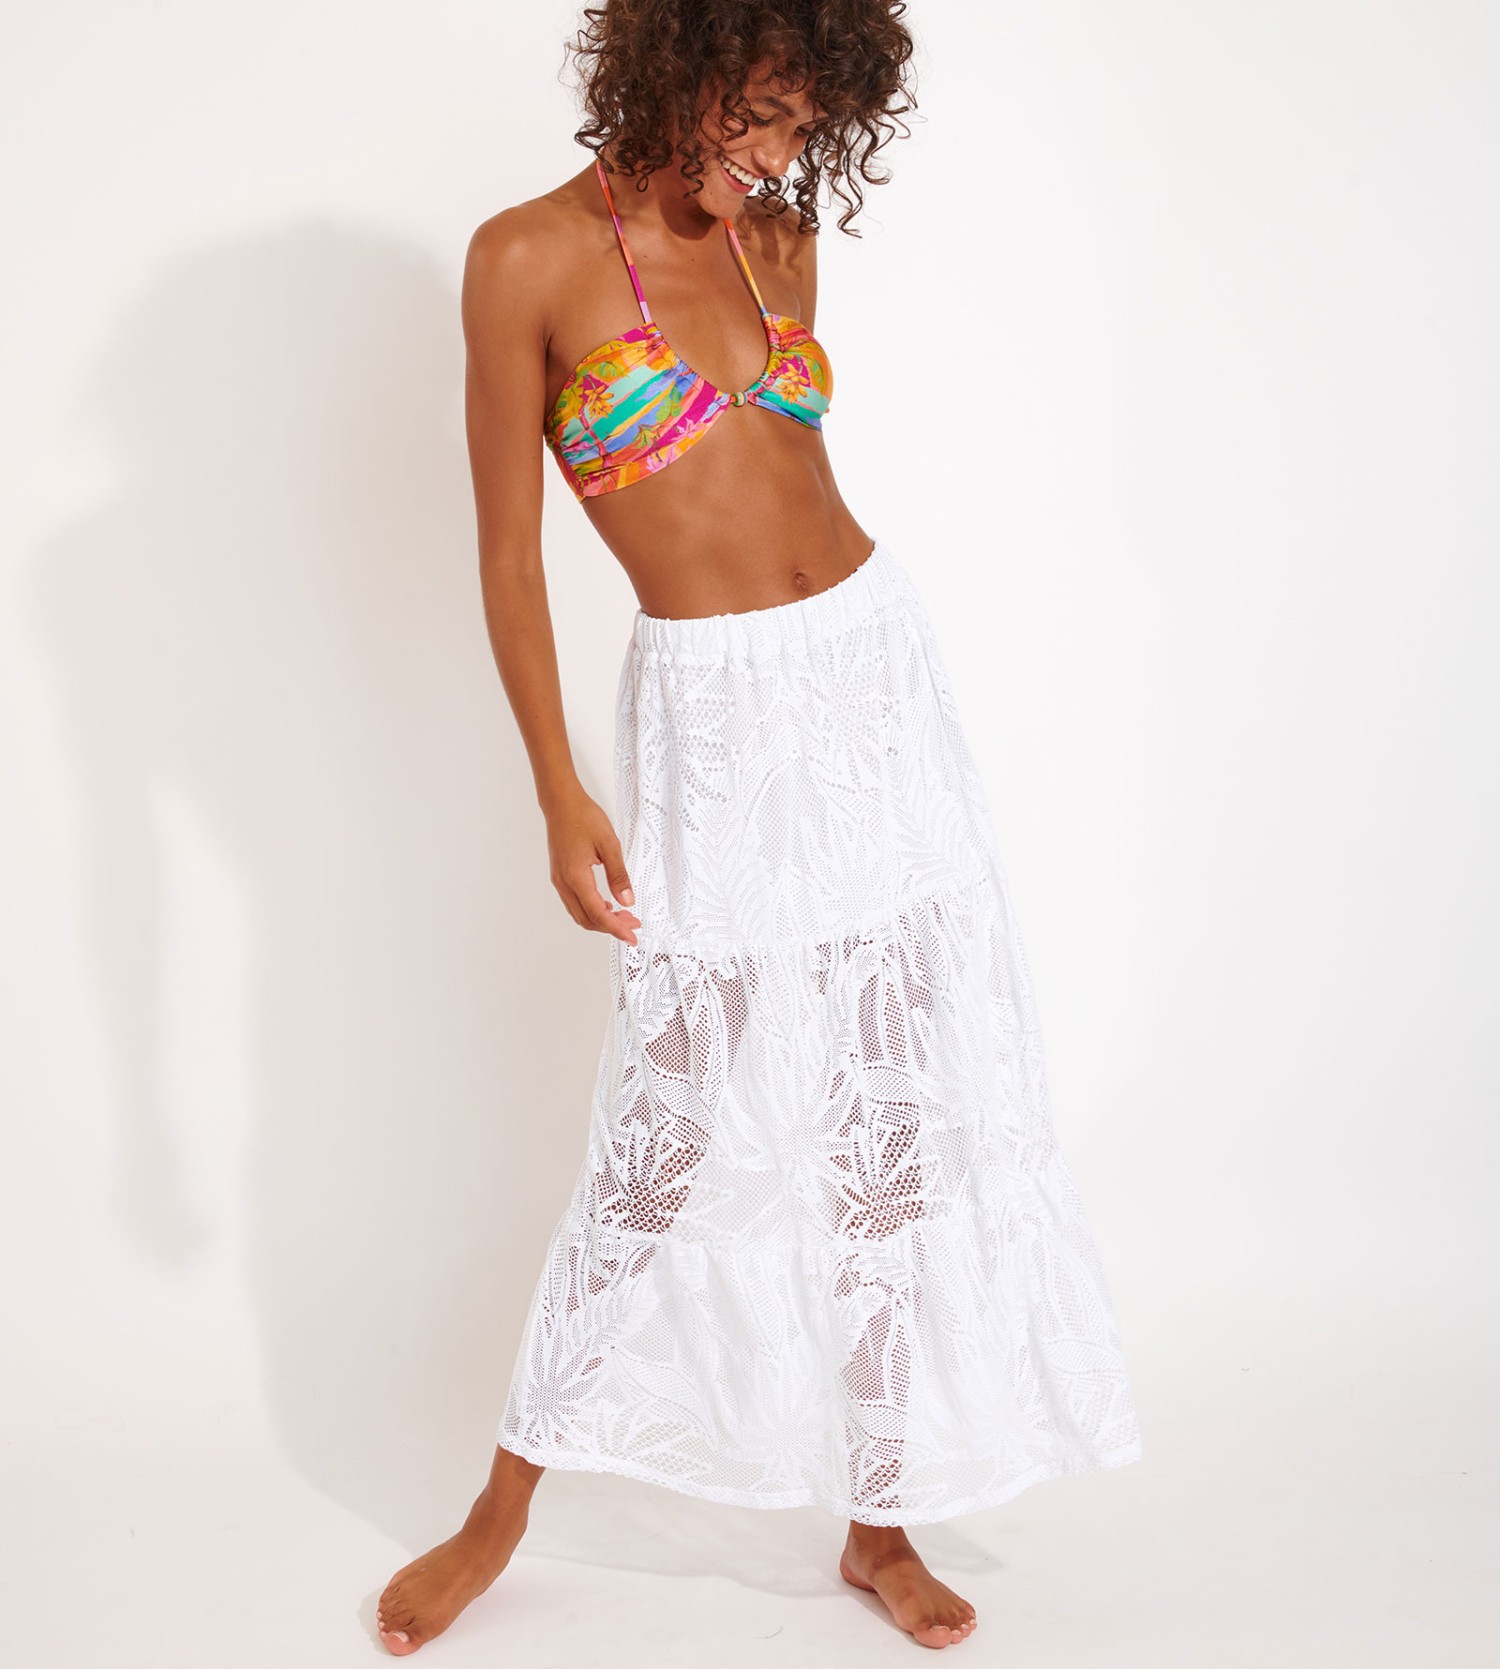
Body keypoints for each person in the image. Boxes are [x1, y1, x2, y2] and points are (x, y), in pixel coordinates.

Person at [377, 0, 1140, 1653]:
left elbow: (794, 479)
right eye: (763, 115)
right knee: (662, 1133)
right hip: (711, 720)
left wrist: (771, 206)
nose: (783, 155)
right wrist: (557, 784)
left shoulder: (778, 238)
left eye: (808, 126)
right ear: (680, 62)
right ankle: (499, 1512)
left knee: (887, 1120)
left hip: (870, 677)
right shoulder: (525, 260)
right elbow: (510, 558)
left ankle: (881, 1518)